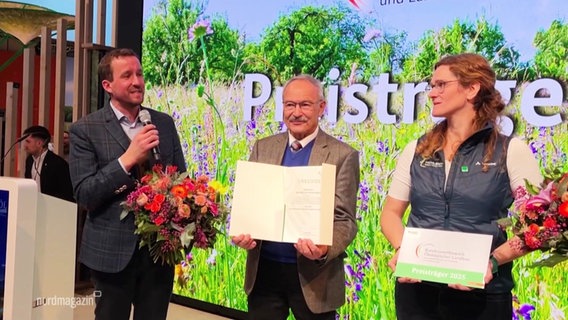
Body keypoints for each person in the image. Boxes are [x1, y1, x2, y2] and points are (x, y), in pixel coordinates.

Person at [380, 53, 543, 319]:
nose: (432, 93)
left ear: (472, 88)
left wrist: (492, 261)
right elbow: (390, 214)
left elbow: (538, 228)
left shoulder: (511, 151)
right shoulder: (417, 149)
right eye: (431, 86)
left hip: (483, 297)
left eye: (441, 85)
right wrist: (403, 251)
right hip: (417, 295)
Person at [68, 48, 186, 320]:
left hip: (159, 253)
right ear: (108, 85)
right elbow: (85, 194)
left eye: (140, 74)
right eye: (128, 75)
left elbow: (182, 180)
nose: (137, 81)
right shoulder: (86, 130)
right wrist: (126, 161)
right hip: (110, 255)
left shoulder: (163, 123)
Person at [231, 74, 360, 320]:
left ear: (321, 107)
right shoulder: (262, 146)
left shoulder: (343, 155)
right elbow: (252, 204)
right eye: (290, 105)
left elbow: (345, 220)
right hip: (264, 274)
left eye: (305, 105)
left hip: (315, 278)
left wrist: (324, 249)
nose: (296, 112)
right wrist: (243, 232)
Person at [22, 125, 74, 202]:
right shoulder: (29, 160)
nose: (25, 145)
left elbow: (66, 193)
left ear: (39, 143)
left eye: (28, 142)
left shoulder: (58, 163)